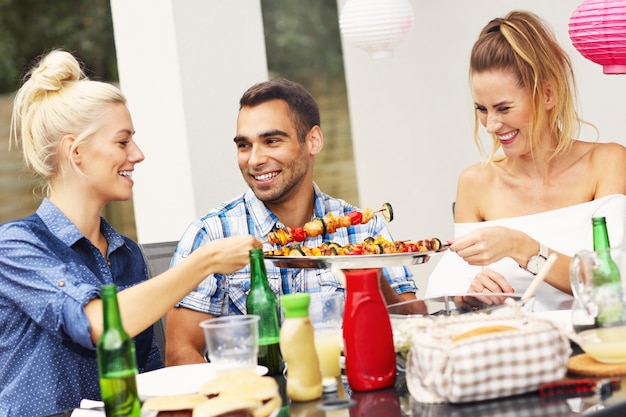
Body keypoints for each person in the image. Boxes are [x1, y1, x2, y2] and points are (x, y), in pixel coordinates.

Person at [0, 49, 260, 417]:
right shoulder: (15, 247)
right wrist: (205, 262)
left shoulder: (126, 254)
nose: (137, 154)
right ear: (75, 152)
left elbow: (148, 383)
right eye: (123, 142)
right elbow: (100, 323)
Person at [167, 78, 422, 366]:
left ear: (312, 141)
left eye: (271, 141)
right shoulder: (210, 235)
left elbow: (414, 330)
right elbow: (180, 354)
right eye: (244, 145)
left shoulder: (364, 229)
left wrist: (370, 276)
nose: (254, 160)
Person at [426, 10, 626, 311]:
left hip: (593, 349)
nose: (491, 125)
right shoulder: (475, 184)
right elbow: (455, 291)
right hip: (513, 349)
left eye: (504, 109)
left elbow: (611, 283)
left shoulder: (607, 163)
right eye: (482, 109)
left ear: (547, 94)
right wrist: (471, 294)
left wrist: (524, 248)